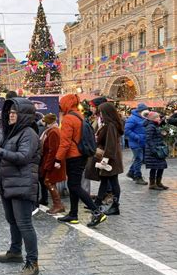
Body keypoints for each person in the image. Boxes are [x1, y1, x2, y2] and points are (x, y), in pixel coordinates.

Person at [0, 98, 41, 275]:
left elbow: (23, 157)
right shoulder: (8, 132)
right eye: (9, 111)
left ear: (23, 115)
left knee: (24, 223)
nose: (10, 114)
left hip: (23, 183)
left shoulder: (28, 133)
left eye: (15, 112)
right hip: (7, 183)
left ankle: (32, 262)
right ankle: (15, 251)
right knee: (12, 220)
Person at [54, 94, 107, 227]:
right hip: (81, 155)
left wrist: (57, 159)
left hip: (73, 156)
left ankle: (96, 212)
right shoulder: (79, 116)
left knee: (74, 186)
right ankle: (73, 214)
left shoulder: (68, 119)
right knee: (74, 185)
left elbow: (65, 143)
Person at [94, 102, 124, 215]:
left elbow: (110, 144)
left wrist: (105, 159)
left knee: (113, 181)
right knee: (105, 181)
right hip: (109, 157)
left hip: (110, 159)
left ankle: (115, 206)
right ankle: (97, 203)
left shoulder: (110, 125)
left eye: (101, 112)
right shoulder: (109, 124)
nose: (99, 114)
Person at [40, 113, 66, 215]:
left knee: (48, 182)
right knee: (50, 182)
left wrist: (47, 165)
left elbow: (53, 150)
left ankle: (58, 205)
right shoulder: (53, 130)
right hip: (53, 161)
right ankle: (58, 204)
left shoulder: (53, 132)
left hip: (53, 162)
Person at [124, 103, 149, 185]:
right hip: (135, 142)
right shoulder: (132, 119)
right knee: (139, 159)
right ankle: (138, 177)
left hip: (142, 142)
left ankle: (131, 173)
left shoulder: (144, 117)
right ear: (140, 111)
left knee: (139, 159)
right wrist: (137, 137)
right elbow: (127, 130)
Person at [145, 112, 169, 190]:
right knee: (154, 167)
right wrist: (153, 149)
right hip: (154, 150)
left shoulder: (155, 125)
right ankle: (152, 184)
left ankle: (158, 182)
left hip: (158, 149)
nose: (159, 118)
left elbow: (156, 136)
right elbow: (149, 139)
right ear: (153, 118)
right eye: (158, 117)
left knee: (161, 166)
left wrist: (163, 134)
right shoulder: (151, 126)